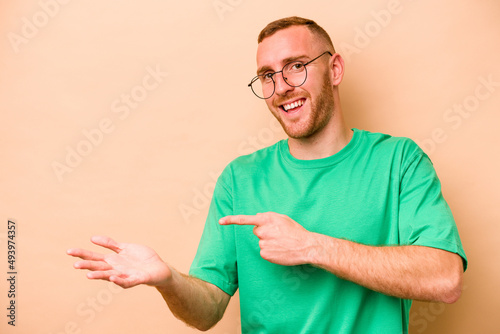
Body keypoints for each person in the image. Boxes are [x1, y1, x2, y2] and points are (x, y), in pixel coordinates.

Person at [67, 16, 467, 333]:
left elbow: (445, 278)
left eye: (296, 66)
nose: (281, 87)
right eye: (268, 75)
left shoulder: (399, 161)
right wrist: (167, 279)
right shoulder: (240, 179)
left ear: (336, 69)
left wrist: (312, 247)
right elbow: (207, 310)